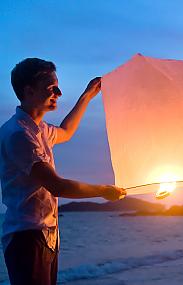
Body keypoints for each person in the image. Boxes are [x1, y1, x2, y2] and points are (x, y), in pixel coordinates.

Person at [0, 58, 126, 285]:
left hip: (46, 234)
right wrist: (103, 191)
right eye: (51, 88)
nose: (58, 92)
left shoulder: (40, 130)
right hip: (26, 237)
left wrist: (87, 96)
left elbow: (66, 131)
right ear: (28, 91)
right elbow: (57, 185)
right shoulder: (18, 135)